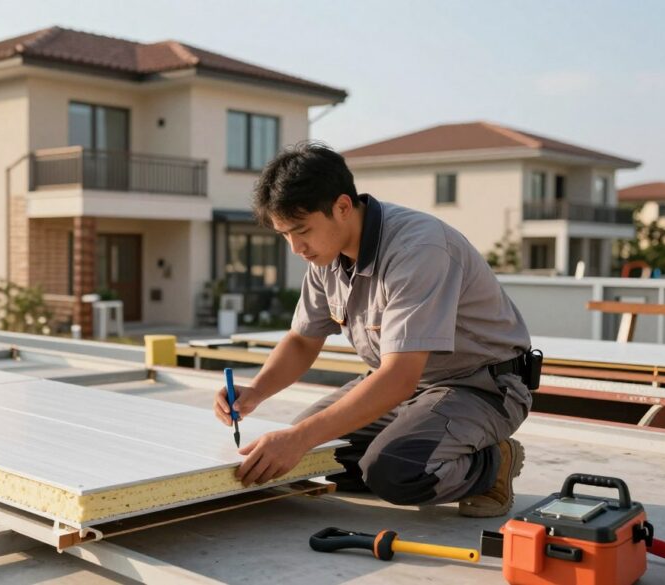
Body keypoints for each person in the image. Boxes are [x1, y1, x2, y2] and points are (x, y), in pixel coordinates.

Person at [214, 141, 539, 517]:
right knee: (302, 461)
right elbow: (303, 340)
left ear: (342, 207)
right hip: (404, 388)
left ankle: (493, 462)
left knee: (393, 472)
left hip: (480, 386)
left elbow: (399, 376)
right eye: (284, 234)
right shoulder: (325, 255)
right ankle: (413, 439)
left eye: (301, 231)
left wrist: (299, 438)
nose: (295, 248)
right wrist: (256, 390)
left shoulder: (418, 249)